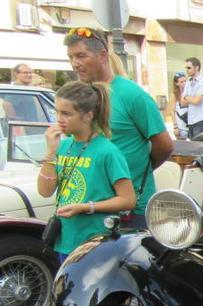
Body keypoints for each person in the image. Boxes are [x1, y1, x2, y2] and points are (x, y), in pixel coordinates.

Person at [63, 27, 172, 228]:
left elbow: (164, 145)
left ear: (103, 56)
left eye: (81, 56)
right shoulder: (80, 97)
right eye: (71, 57)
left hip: (130, 211)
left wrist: (134, 171)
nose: (75, 64)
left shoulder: (132, 95)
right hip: (91, 206)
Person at [36, 81, 135, 261]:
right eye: (56, 111)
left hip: (95, 242)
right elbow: (45, 191)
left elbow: (128, 199)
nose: (59, 119)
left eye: (66, 113)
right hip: (65, 239)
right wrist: (50, 152)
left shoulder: (107, 151)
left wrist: (86, 207)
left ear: (88, 116)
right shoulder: (63, 145)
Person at [180, 57, 203, 138]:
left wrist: (187, 97)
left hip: (200, 120)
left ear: (196, 68)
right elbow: (182, 102)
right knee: (193, 147)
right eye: (186, 68)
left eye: (189, 68)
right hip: (190, 120)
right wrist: (191, 98)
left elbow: (197, 101)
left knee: (199, 147)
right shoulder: (188, 82)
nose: (187, 70)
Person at [172, 72, 188, 140]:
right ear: (176, 83)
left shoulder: (190, 93)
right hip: (181, 128)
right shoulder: (175, 95)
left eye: (185, 81)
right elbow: (172, 111)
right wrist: (175, 127)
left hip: (191, 126)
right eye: (181, 82)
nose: (184, 83)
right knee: (182, 148)